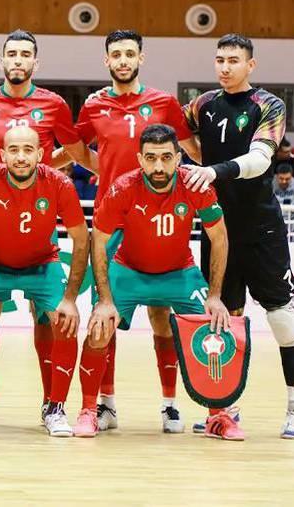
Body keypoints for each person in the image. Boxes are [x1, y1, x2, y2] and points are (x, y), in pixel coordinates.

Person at [0, 29, 94, 428]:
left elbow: (76, 150)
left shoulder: (52, 104)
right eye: (11, 54)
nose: (18, 60)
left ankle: (54, 407)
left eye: (25, 54)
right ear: (2, 61)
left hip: (38, 221)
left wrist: (112, 175)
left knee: (48, 319)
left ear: (36, 62)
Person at [69, 29, 203, 433]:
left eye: (130, 54)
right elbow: (77, 150)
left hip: (160, 215)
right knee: (105, 317)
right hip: (115, 221)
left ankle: (169, 404)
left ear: (141, 58)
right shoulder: (94, 104)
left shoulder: (162, 102)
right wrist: (103, 170)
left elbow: (192, 151)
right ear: (106, 60)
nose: (123, 60)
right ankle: (104, 405)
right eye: (116, 54)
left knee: (163, 317)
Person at [74, 123, 236, 439]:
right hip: (129, 270)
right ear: (140, 159)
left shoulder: (196, 186)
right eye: (150, 158)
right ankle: (89, 410)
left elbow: (219, 237)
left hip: (179, 272)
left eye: (165, 157)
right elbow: (98, 241)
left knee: (214, 324)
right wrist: (105, 301)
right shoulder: (122, 187)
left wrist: (215, 295)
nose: (158, 166)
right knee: (98, 328)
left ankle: (215, 415)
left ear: (179, 158)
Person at [182, 33, 294, 439]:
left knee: (280, 314)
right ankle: (226, 408)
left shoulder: (268, 105)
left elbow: (259, 159)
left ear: (250, 65)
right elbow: (174, 136)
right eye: (219, 59)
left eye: (233, 60)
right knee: (224, 316)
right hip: (217, 227)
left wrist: (214, 171)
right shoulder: (202, 104)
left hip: (261, 227)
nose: (224, 67)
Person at [273, 163, 294, 241]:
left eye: (287, 179)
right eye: (281, 178)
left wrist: (293, 210)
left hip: (293, 219)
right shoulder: (271, 183)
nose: (284, 181)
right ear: (276, 176)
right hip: (275, 219)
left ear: (291, 176)